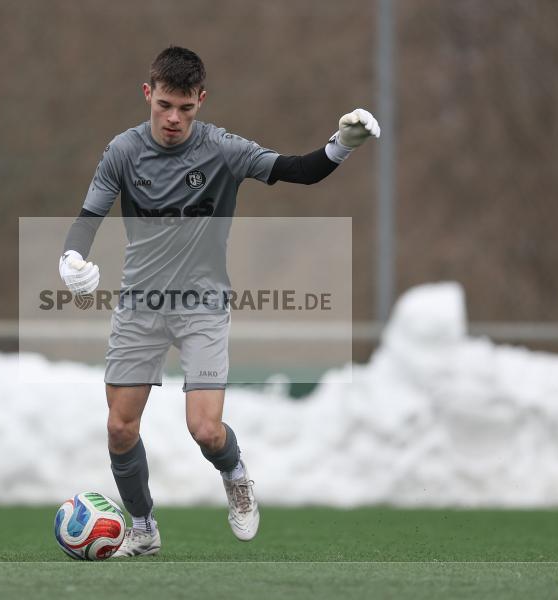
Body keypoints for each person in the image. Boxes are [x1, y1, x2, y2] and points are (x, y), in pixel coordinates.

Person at [58, 46, 379, 557]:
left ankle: (234, 472)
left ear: (201, 100)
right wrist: (70, 259)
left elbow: (299, 170)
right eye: (164, 104)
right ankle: (143, 527)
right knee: (120, 427)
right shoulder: (122, 151)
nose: (173, 118)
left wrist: (341, 144)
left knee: (205, 429)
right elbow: (88, 216)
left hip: (201, 304)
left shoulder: (224, 150)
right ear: (148, 94)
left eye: (185, 108)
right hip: (140, 304)